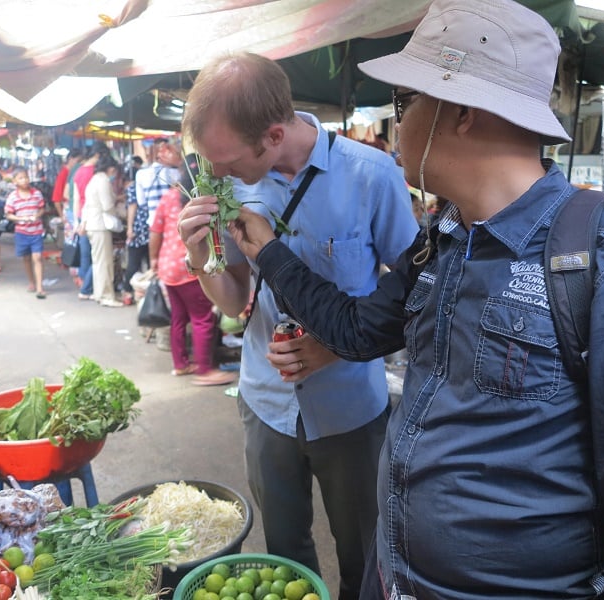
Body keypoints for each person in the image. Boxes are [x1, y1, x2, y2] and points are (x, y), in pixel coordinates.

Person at [222, 0, 604, 597]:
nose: (397, 127)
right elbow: (356, 331)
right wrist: (268, 252)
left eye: (404, 103)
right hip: (396, 577)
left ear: (460, 111)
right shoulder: (442, 239)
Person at [177, 52, 418, 600]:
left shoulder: (371, 175)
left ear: (274, 135)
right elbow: (235, 299)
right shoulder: (232, 185)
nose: (219, 174)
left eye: (228, 161)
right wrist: (201, 259)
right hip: (266, 402)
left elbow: (414, 297)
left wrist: (337, 346)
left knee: (363, 551)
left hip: (350, 407)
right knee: (283, 558)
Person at [150, 154, 236, 386]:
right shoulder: (206, 200)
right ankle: (205, 370)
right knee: (202, 319)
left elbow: (155, 230)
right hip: (190, 267)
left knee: (178, 317)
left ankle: (180, 365)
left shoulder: (169, 196)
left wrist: (154, 260)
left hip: (168, 267)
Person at [126, 139, 182, 304]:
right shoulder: (176, 174)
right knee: (170, 262)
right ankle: (170, 298)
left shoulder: (141, 175)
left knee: (155, 264)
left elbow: (141, 203)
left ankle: (157, 300)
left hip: (153, 226)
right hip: (173, 227)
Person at [77, 153, 123, 307]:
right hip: (100, 226)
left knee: (98, 262)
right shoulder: (103, 181)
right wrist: (118, 212)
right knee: (105, 263)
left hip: (92, 225)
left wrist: (83, 223)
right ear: (110, 168)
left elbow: (86, 205)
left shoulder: (93, 180)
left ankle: (99, 294)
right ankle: (106, 296)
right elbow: (107, 205)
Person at [72, 142, 111, 300]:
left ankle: (85, 285)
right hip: (94, 217)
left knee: (86, 255)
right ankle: (87, 288)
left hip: (82, 215)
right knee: (97, 257)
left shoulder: (78, 171)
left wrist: (77, 221)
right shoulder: (96, 173)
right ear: (98, 155)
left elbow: (76, 198)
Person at [4, 167, 47, 299]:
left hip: (36, 231)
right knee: (26, 258)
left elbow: (42, 209)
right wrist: (21, 218)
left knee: (37, 257)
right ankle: (31, 282)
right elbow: (8, 214)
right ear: (14, 181)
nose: (24, 180)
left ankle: (40, 287)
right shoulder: (12, 197)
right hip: (21, 232)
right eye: (21, 178)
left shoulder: (37, 194)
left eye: (26, 177)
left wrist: (37, 216)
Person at [52, 148, 83, 223]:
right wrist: (62, 216)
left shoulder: (76, 172)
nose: (79, 164)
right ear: (70, 159)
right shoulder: (63, 174)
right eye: (78, 161)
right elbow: (56, 199)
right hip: (69, 210)